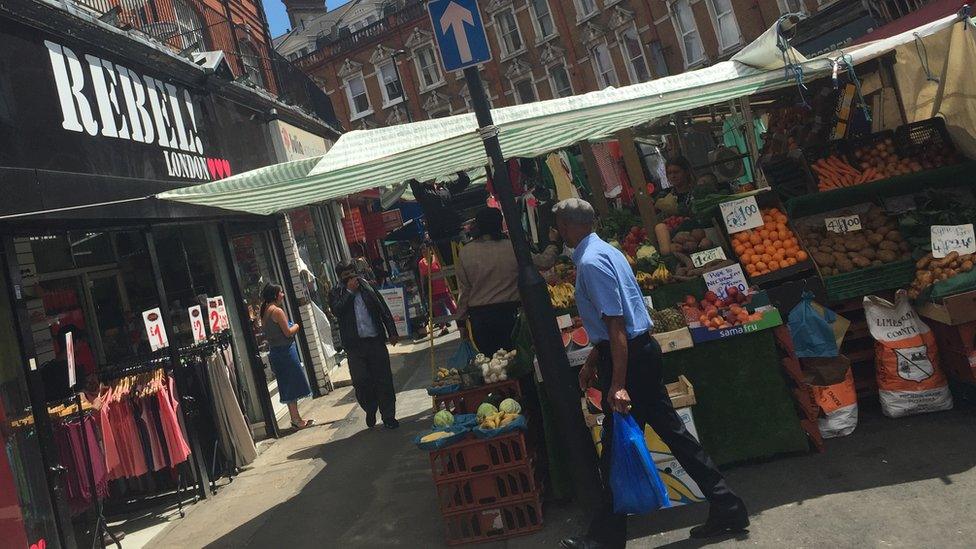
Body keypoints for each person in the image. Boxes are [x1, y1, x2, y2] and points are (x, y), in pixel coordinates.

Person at [553, 198, 748, 548]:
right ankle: (727, 504)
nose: (558, 231)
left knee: (616, 449)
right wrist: (593, 362)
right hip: (638, 353)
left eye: (559, 224)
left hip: (628, 359)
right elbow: (615, 323)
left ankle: (604, 539)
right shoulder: (606, 251)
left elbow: (615, 325)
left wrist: (617, 384)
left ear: (569, 225)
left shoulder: (591, 262)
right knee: (675, 436)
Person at [456, 208, 560, 356]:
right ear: (500, 224)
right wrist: (553, 244)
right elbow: (544, 262)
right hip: (511, 317)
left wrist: (461, 323)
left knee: (494, 367)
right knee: (520, 359)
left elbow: (464, 291)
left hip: (481, 320)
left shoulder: (466, 253)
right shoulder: (512, 247)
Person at [329, 260, 400, 429]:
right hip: (354, 347)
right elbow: (337, 311)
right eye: (346, 275)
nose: (351, 277)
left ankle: (388, 416)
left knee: (384, 380)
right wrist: (349, 292)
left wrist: (392, 331)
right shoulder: (336, 293)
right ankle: (370, 407)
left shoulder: (368, 288)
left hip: (374, 340)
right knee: (361, 381)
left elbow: (382, 308)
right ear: (340, 277)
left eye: (352, 273)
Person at [260, 283, 314, 430]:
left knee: (287, 384)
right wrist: (297, 325)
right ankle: (296, 419)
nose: (283, 295)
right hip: (286, 351)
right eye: (281, 292)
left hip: (275, 352)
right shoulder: (277, 311)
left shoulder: (264, 311)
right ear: (275, 295)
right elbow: (288, 332)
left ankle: (295, 418)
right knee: (293, 383)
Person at [418, 243, 457, 337]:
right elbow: (422, 278)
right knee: (437, 310)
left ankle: (461, 323)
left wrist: (448, 285)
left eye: (425, 251)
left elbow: (443, 271)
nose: (424, 253)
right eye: (422, 252)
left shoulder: (436, 258)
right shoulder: (421, 263)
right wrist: (424, 291)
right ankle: (443, 327)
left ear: (430, 251)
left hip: (443, 288)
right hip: (432, 291)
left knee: (451, 306)